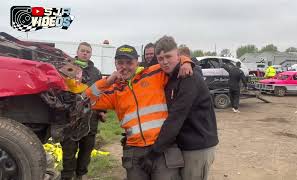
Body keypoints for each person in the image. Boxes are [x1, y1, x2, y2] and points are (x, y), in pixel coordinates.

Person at [84, 44, 193, 180]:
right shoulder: (114, 90)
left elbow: (173, 60)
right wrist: (106, 82)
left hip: (162, 147)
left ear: (137, 61)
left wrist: (187, 62)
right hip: (134, 152)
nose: (124, 67)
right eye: (120, 63)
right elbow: (85, 101)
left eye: (129, 62)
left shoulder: (154, 73)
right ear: (115, 64)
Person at [139, 36, 219, 180]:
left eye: (168, 56)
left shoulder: (189, 78)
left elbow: (176, 118)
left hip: (198, 145)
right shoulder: (170, 78)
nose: (164, 61)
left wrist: (154, 152)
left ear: (178, 55)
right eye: (160, 58)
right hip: (183, 144)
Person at [60, 42, 104, 180]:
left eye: (88, 52)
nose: (85, 53)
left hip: (91, 117)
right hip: (70, 117)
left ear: (91, 54)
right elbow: (59, 91)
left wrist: (102, 111)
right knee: (69, 149)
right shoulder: (68, 67)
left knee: (87, 149)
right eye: (83, 51)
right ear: (77, 52)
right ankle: (68, 175)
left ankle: (81, 174)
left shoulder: (96, 72)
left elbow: (101, 92)